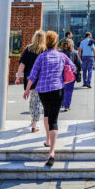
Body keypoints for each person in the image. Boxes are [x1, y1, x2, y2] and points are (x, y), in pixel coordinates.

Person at [24, 30, 75, 166]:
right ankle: (51, 152)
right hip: (57, 89)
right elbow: (73, 67)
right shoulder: (61, 56)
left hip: (43, 90)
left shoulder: (41, 57)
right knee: (54, 119)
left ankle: (47, 140)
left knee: (46, 113)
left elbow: (33, 75)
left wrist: (27, 89)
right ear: (56, 43)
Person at [15, 30, 46, 133]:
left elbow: (22, 65)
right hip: (42, 80)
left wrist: (18, 77)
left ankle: (33, 120)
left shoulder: (28, 49)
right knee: (38, 102)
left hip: (30, 79)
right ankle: (34, 124)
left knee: (33, 100)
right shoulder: (45, 50)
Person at [60, 38, 81, 112]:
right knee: (69, 91)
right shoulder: (74, 53)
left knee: (62, 89)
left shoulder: (60, 53)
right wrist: (78, 73)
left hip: (61, 75)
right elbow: (78, 64)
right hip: (70, 75)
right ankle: (67, 106)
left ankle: (62, 103)